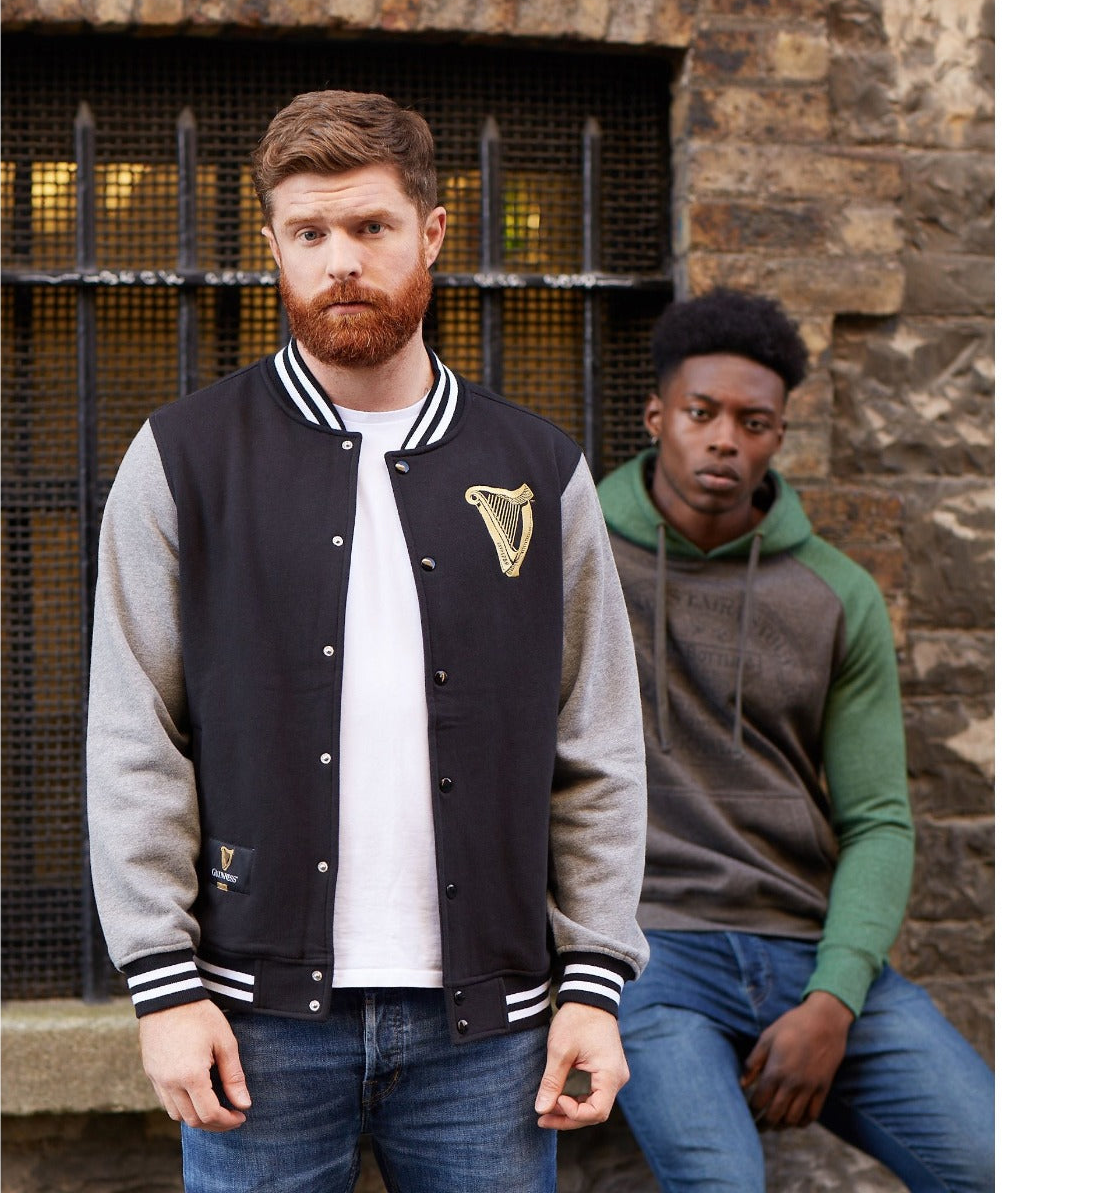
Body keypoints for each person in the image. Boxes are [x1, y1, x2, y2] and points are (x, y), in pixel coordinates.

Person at [86, 89, 649, 1193]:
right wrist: (164, 983)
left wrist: (593, 984)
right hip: (254, 1030)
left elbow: (599, 747)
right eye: (310, 234)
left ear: (431, 233)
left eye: (371, 228)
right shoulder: (184, 460)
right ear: (274, 249)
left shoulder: (541, 471)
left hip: (491, 1036)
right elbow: (133, 737)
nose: (340, 259)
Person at [597, 288, 994, 1192]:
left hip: (804, 945)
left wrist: (834, 997)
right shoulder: (575, 563)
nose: (724, 439)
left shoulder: (834, 593)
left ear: (779, 435)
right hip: (650, 952)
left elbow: (881, 821)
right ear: (658, 415)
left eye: (754, 421)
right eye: (701, 414)